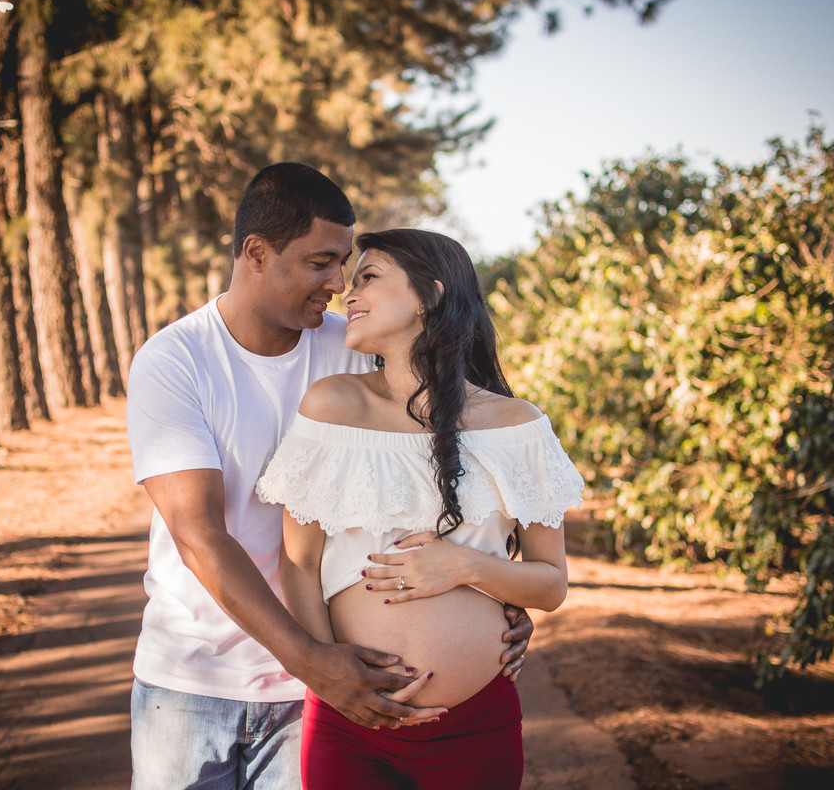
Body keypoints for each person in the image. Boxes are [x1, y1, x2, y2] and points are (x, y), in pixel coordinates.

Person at [125, 164, 533, 790]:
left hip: (326, 688)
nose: (338, 285)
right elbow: (200, 535)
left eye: (345, 264)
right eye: (321, 263)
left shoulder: (359, 343)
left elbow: (440, 466)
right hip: (195, 678)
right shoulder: (176, 362)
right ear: (256, 253)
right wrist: (312, 662)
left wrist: (488, 598)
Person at [256, 228, 584, 788]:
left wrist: (465, 567)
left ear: (430, 296)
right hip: (350, 723)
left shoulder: (518, 426)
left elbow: (551, 584)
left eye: (368, 277)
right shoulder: (333, 406)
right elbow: (298, 563)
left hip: (475, 726)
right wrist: (330, 680)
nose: (346, 294)